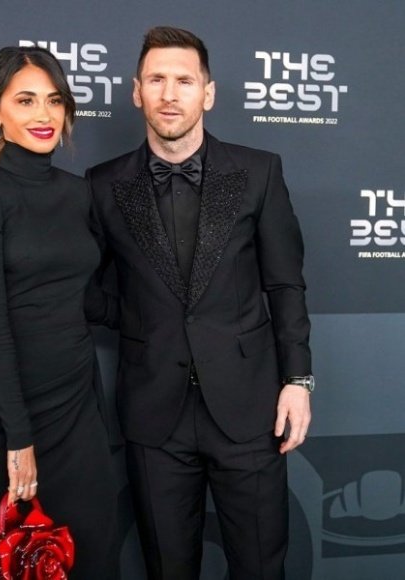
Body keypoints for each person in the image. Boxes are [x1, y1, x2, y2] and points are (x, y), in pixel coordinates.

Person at [86, 26, 313, 580]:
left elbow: (285, 284)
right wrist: (139, 321)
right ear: (136, 91)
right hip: (152, 414)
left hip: (250, 409)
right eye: (156, 80)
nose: (170, 93)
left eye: (184, 80)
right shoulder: (102, 184)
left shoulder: (259, 172)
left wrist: (298, 381)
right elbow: (82, 288)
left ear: (207, 93)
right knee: (168, 568)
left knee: (262, 567)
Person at [0, 46, 118, 580]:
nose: (44, 115)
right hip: (2, 418)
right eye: (25, 100)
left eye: (54, 101)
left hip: (75, 411)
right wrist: (19, 440)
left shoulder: (79, 194)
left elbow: (85, 297)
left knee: (90, 558)